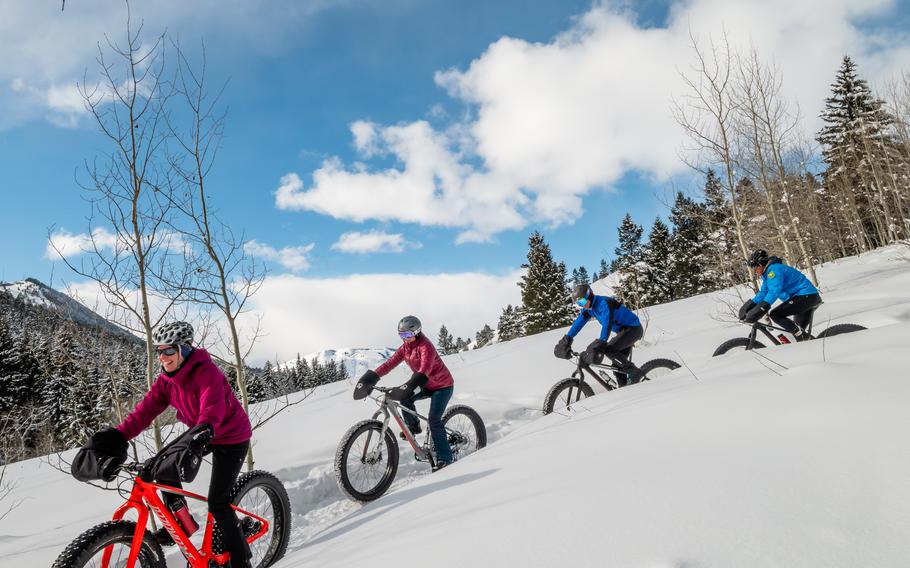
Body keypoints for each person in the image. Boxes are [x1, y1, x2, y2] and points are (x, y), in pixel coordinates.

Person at [77, 321, 254, 568]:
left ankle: (242, 558)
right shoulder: (166, 381)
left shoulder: (206, 372)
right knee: (159, 468)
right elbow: (143, 412)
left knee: (218, 501)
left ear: (184, 349)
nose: (163, 357)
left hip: (230, 435)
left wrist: (205, 428)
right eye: (159, 351)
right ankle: (182, 522)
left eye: (169, 351)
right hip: (200, 432)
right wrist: (119, 435)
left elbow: (212, 405)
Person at [357, 315, 454, 472]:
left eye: (408, 335)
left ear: (417, 332)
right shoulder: (405, 348)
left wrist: (411, 383)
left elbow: (425, 368)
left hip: (442, 386)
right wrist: (374, 376)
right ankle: (413, 427)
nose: (405, 339)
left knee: (434, 421)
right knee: (405, 399)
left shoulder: (425, 347)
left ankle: (445, 459)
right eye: (401, 335)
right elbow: (390, 363)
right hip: (424, 384)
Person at [553, 284, 644, 386]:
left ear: (590, 295)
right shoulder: (588, 309)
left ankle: (635, 373)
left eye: (582, 302)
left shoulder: (604, 303)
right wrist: (567, 339)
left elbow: (607, 324)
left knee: (609, 349)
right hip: (622, 332)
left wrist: (602, 341)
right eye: (579, 303)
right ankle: (626, 390)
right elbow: (578, 323)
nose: (582, 305)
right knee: (617, 369)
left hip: (633, 329)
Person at [739, 249, 821, 341]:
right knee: (798, 333)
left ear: (761, 264)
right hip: (804, 297)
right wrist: (749, 306)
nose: (755, 271)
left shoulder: (774, 270)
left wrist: (762, 307)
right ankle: (811, 342)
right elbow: (763, 293)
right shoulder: (768, 274)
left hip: (806, 296)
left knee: (775, 314)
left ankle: (801, 336)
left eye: (755, 267)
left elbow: (774, 291)